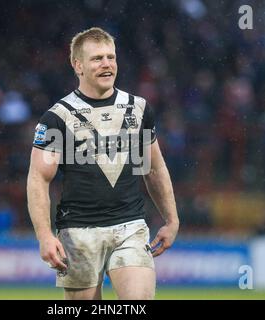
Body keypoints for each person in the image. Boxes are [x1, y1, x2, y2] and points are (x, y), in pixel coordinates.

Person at [27, 27, 179, 300]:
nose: (107, 64)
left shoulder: (138, 108)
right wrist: (44, 235)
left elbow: (154, 168)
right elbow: (39, 178)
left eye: (111, 57)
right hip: (78, 233)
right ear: (78, 65)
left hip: (130, 227)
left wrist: (171, 219)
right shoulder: (57, 117)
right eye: (97, 58)